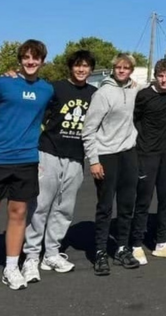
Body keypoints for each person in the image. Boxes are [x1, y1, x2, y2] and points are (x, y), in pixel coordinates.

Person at [21, 50, 97, 284]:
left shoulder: (95, 94)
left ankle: (51, 253)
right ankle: (31, 256)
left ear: (91, 69)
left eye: (85, 66)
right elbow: (35, 105)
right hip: (49, 152)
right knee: (41, 205)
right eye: (77, 66)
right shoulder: (54, 88)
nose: (81, 70)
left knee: (65, 208)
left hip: (76, 157)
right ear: (71, 67)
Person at [0, 39, 53, 290]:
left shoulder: (47, 90)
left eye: (36, 58)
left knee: (19, 214)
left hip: (26, 160)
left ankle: (11, 267)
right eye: (26, 58)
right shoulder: (5, 82)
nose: (31, 62)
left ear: (42, 61)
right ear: (20, 60)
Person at [82, 53, 141, 275]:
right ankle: (99, 252)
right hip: (106, 154)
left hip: (128, 153)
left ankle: (122, 249)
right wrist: (94, 161)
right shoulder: (103, 93)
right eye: (118, 67)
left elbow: (158, 88)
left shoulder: (135, 89)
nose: (122, 70)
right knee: (105, 206)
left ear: (131, 70)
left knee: (127, 205)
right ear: (113, 68)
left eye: (126, 68)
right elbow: (88, 130)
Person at [129, 58, 166, 264]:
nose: (163, 80)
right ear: (155, 76)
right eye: (160, 76)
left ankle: (161, 243)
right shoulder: (143, 96)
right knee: (143, 199)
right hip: (146, 153)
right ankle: (135, 243)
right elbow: (133, 119)